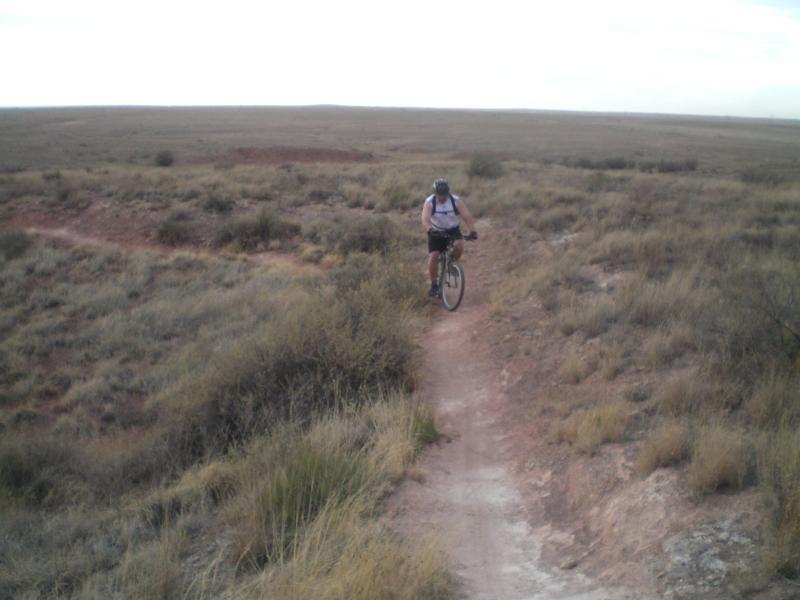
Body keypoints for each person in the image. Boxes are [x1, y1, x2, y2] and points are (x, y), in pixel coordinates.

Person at [421, 178, 478, 297]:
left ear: (448, 192)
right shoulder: (430, 202)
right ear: (435, 193)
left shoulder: (456, 201)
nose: (442, 197)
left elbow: (467, 216)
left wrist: (473, 231)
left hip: (453, 229)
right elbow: (425, 219)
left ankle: (451, 265)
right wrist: (430, 229)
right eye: (440, 195)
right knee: (434, 256)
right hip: (435, 230)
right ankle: (433, 285)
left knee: (459, 246)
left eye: (445, 194)